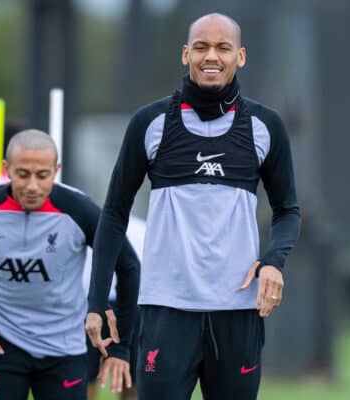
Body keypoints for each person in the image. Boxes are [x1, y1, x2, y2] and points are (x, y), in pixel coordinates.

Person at [87, 13, 301, 400]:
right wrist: (97, 302)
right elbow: (114, 214)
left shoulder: (265, 125)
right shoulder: (149, 123)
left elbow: (288, 210)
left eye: (223, 47)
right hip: (166, 309)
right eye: (201, 47)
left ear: (241, 56)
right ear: (186, 54)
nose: (211, 56)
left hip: (237, 311)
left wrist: (274, 261)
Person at [0, 130, 140, 400]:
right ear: (7, 169)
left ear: (56, 170)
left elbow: (129, 265)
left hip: (63, 349)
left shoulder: (78, 209)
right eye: (23, 174)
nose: (32, 186)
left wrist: (122, 349)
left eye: (42, 175)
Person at [83, 214, 145, 400]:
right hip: (91, 308)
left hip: (133, 308)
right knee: (84, 377)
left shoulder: (144, 227)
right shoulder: (90, 223)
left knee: (132, 379)